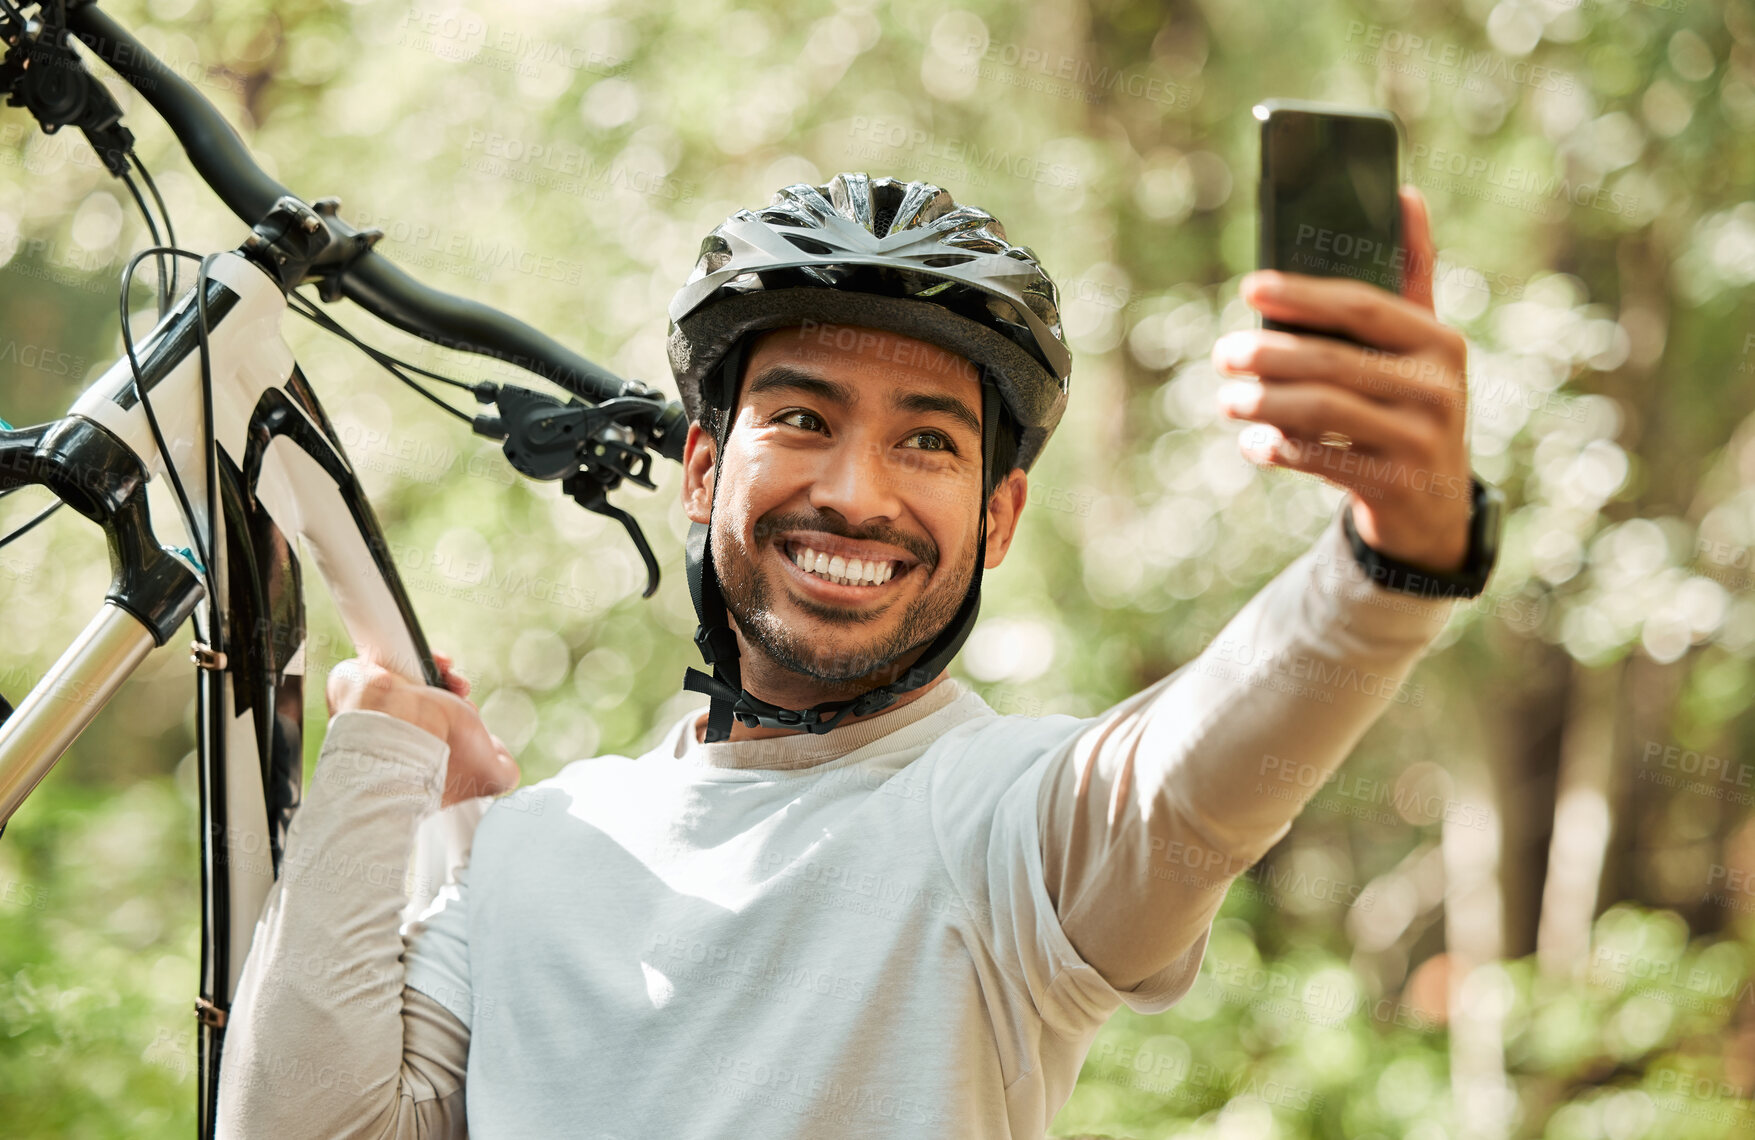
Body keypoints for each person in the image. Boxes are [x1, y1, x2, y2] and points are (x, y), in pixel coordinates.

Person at [215, 172, 1498, 1138]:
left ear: (997, 518)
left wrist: (1393, 556)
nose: (856, 491)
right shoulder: (524, 848)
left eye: (929, 443)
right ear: (706, 469)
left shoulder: (1013, 827)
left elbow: (1190, 774)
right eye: (802, 417)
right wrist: (389, 753)